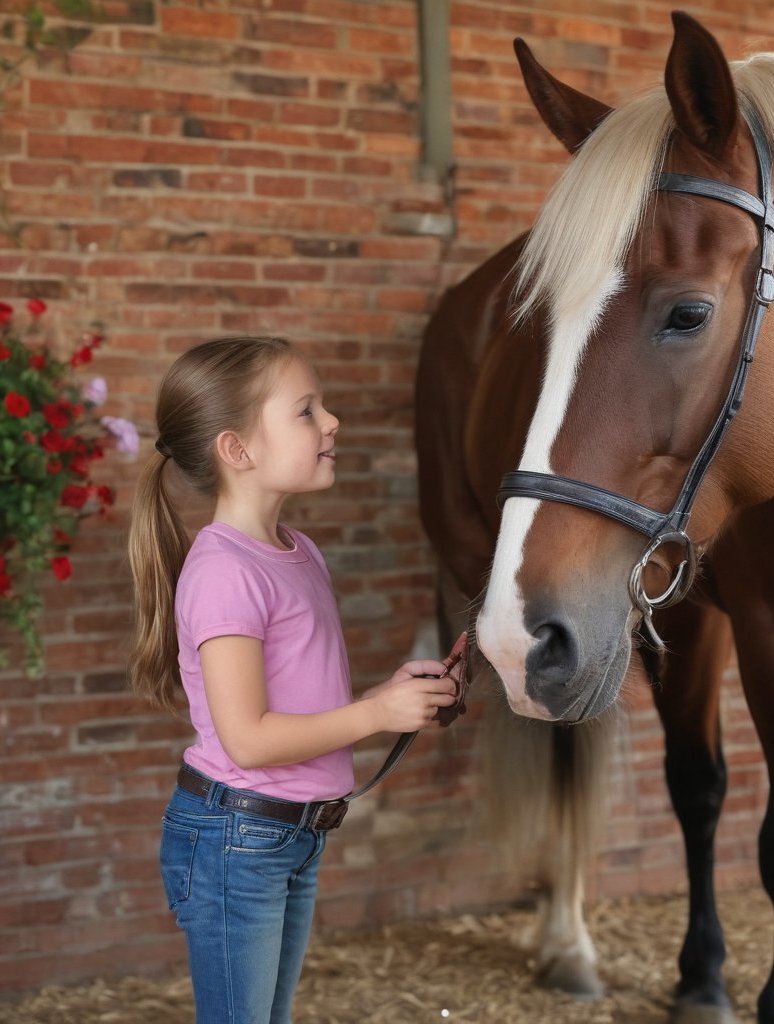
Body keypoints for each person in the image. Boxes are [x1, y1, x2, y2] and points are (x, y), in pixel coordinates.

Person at [127, 336, 459, 1024]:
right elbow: (247, 741)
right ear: (237, 449)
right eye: (306, 411)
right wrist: (374, 718)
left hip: (286, 836)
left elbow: (299, 711)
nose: (332, 421)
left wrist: (385, 699)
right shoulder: (225, 572)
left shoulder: (297, 552)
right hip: (235, 841)